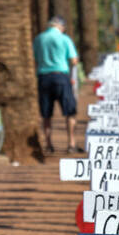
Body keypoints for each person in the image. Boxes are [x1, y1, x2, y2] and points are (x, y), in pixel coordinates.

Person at [34, 16, 79, 154]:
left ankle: (48, 145)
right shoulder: (64, 39)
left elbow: (35, 59)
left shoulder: (39, 39)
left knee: (46, 114)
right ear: (61, 27)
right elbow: (74, 60)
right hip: (61, 77)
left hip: (44, 77)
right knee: (70, 112)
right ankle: (71, 143)